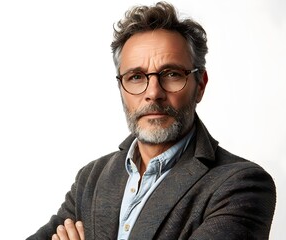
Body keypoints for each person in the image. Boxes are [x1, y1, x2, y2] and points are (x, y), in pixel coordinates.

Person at [26, 2, 276, 239]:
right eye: (136, 77)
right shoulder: (91, 178)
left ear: (200, 85)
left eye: (172, 74)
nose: (153, 92)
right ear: (121, 88)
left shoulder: (242, 185)